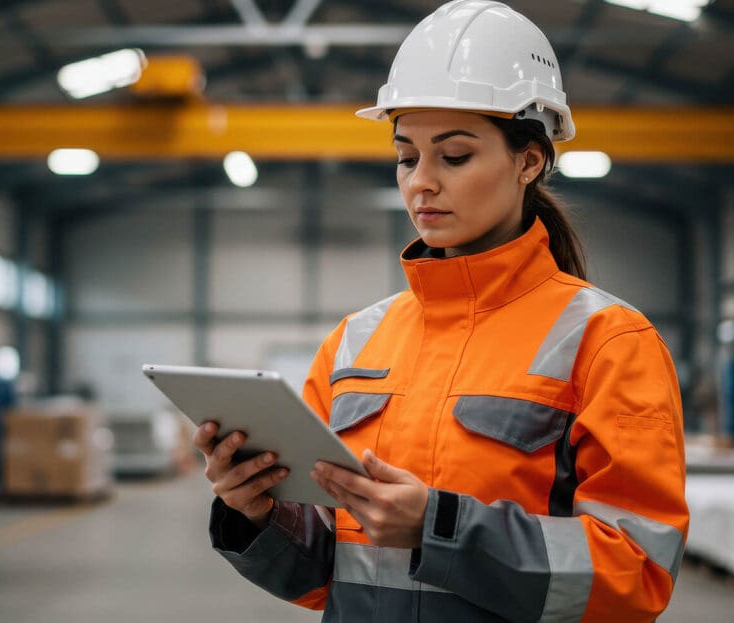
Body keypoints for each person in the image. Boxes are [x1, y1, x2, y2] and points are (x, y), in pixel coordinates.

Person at [192, 1, 689, 621]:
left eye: (453, 156)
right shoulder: (356, 343)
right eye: (406, 156)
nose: (421, 181)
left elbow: (636, 574)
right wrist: (257, 513)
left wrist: (439, 527)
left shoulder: (608, 342)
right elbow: (324, 576)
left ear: (529, 161)